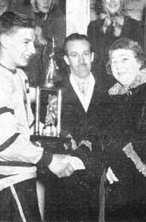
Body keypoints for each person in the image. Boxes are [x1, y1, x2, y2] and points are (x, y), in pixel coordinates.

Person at [0, 11, 74, 221]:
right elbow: (6, 143)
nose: (33, 50)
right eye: (26, 42)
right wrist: (49, 159)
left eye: (33, 42)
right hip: (5, 183)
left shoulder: (16, 74)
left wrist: (58, 136)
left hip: (17, 177)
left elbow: (26, 118)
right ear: (4, 40)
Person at [76, 38, 146, 221]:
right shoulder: (111, 95)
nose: (118, 66)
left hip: (144, 190)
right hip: (114, 186)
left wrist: (120, 166)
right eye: (113, 61)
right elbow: (96, 133)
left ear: (139, 62)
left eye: (124, 59)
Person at [44, 33, 108, 221]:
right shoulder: (53, 91)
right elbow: (48, 134)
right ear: (65, 59)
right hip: (65, 179)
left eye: (85, 54)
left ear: (93, 56)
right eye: (74, 55)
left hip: (98, 178)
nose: (81, 61)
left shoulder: (109, 89)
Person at [87, 0, 143, 91]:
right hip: (101, 82)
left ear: (121, 1)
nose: (112, 0)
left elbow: (139, 57)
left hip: (127, 82)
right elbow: (95, 57)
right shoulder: (93, 27)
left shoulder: (134, 25)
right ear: (103, 2)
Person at [24, 0, 66, 87]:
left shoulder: (58, 17)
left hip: (53, 74)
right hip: (31, 75)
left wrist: (44, 41)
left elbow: (61, 45)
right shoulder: (26, 18)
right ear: (34, 0)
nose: (46, 2)